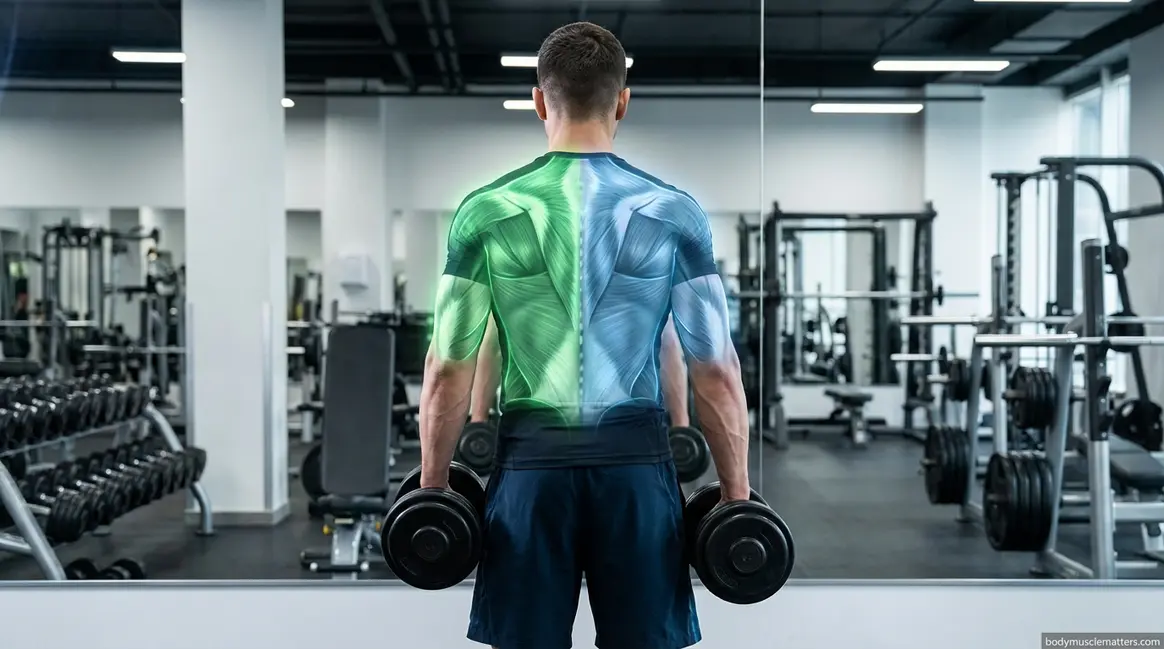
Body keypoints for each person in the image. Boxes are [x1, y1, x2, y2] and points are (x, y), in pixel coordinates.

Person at [418, 21, 750, 649]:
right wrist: (736, 499)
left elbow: (447, 370)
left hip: (529, 476)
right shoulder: (674, 211)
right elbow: (717, 369)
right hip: (636, 476)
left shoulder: (485, 210)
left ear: (540, 101)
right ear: (622, 100)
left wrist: (434, 488)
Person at [470, 314, 693, 427]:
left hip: (535, 434)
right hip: (625, 432)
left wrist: (478, 422)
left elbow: (493, 347)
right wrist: (681, 426)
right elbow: (667, 347)